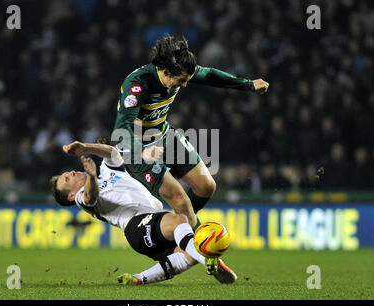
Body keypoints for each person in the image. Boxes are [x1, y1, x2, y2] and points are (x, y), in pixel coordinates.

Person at [113, 35, 269, 230]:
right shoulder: (138, 84)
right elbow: (122, 128)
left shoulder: (180, 69)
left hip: (164, 135)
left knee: (206, 186)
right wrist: (139, 153)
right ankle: (193, 246)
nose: (185, 85)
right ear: (166, 71)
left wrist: (248, 84)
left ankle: (178, 230)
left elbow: (210, 75)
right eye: (181, 81)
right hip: (138, 148)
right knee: (180, 200)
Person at [50, 140, 237, 285]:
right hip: (136, 226)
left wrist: (85, 148)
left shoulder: (107, 171)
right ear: (71, 196)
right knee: (180, 221)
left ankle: (141, 278)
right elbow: (91, 197)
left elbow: (112, 152)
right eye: (67, 178)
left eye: (69, 172)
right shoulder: (81, 197)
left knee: (187, 252)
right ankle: (208, 261)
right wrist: (90, 176)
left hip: (150, 224)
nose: (72, 172)